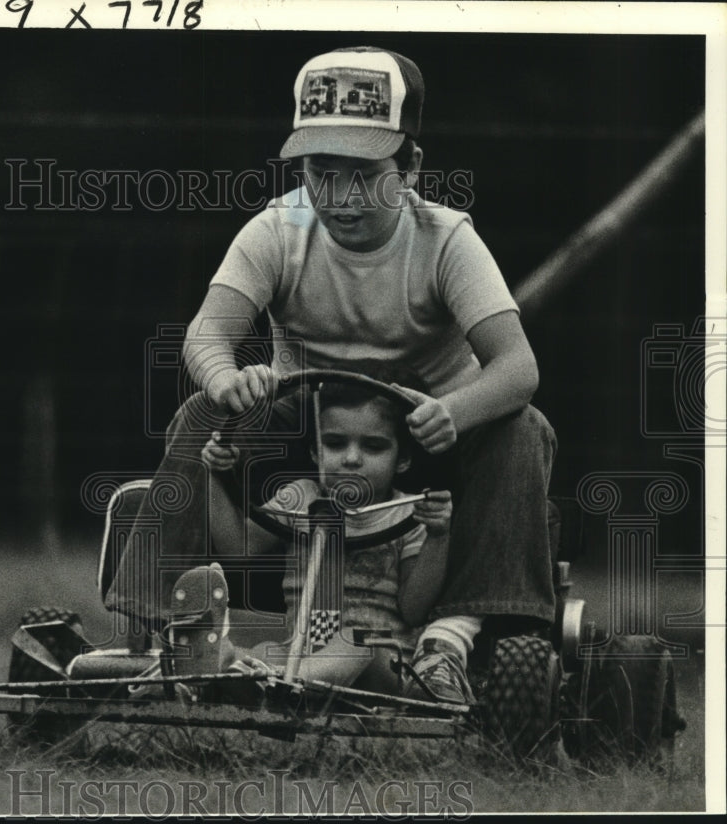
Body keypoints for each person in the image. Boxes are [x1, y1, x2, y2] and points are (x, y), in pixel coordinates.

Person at [169, 45, 558, 698]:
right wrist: (225, 380)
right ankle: (171, 624)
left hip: (426, 434)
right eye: (322, 171)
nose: (341, 196)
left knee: (523, 428)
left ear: (410, 167)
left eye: (365, 172)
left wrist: (454, 411)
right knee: (197, 417)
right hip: (310, 419)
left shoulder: (444, 239)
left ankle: (456, 637)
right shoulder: (279, 229)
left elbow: (518, 366)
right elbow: (207, 333)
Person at [191, 381, 470, 700]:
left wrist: (438, 534)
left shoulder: (407, 513)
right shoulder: (300, 498)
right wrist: (213, 475)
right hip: (302, 650)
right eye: (335, 444)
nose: (352, 459)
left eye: (374, 447)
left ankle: (273, 683)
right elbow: (237, 548)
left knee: (355, 641)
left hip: (383, 664)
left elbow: (414, 611)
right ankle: (221, 673)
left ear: (403, 459)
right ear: (315, 452)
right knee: (268, 649)